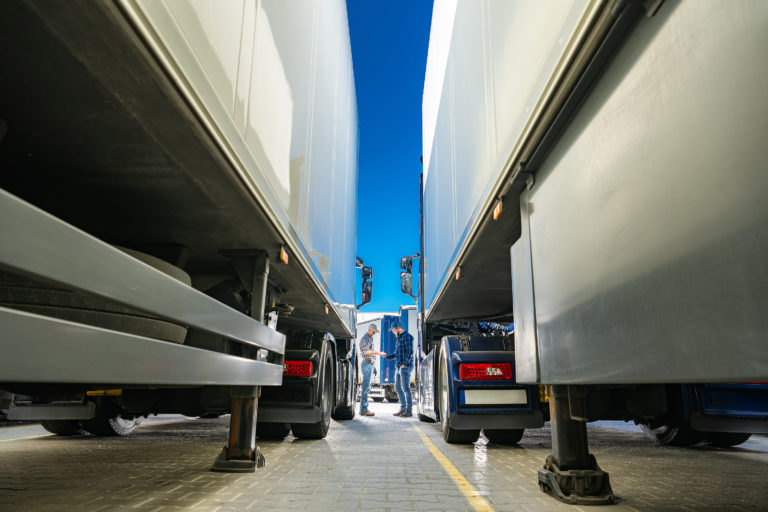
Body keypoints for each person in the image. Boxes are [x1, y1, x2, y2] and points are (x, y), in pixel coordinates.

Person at [382, 321, 414, 417]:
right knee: (397, 387)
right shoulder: (399, 338)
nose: (392, 332)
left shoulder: (407, 336)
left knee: (405, 388)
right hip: (399, 366)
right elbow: (397, 354)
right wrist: (387, 356)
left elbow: (410, 352)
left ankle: (409, 410)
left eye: (393, 330)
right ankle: (403, 408)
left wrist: (405, 364)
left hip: (405, 366)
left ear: (397, 328)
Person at [358, 323, 381, 416]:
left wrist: (373, 365)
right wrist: (378, 353)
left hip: (369, 364)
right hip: (367, 364)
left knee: (367, 388)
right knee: (365, 388)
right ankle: (364, 409)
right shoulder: (365, 338)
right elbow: (367, 351)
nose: (374, 333)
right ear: (369, 330)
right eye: (374, 332)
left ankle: (364, 408)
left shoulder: (369, 338)